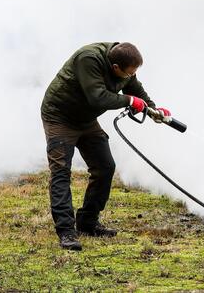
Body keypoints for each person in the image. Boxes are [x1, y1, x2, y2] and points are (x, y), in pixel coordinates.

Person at [41, 42, 172, 251]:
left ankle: (88, 223)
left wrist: (152, 109)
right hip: (60, 116)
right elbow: (98, 98)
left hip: (86, 120)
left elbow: (134, 88)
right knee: (61, 172)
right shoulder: (88, 59)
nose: (131, 77)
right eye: (128, 74)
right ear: (115, 68)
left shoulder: (124, 63)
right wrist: (130, 101)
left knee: (105, 167)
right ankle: (66, 231)